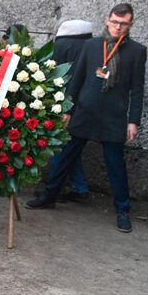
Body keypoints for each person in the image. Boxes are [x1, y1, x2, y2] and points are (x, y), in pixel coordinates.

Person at [27, 3, 146, 233]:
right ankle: (50, 195)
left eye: (123, 23)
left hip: (113, 117)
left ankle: (122, 210)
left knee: (116, 165)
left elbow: (138, 89)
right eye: (114, 22)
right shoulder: (91, 45)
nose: (118, 27)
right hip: (83, 111)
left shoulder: (137, 51)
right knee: (65, 157)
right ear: (107, 19)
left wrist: (134, 121)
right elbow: (78, 77)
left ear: (130, 24)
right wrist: (68, 109)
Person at [47, 19, 94, 202]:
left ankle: (54, 188)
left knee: (61, 146)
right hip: (86, 103)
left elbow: (52, 71)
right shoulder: (92, 46)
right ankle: (79, 186)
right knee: (71, 147)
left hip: (64, 102)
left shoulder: (61, 45)